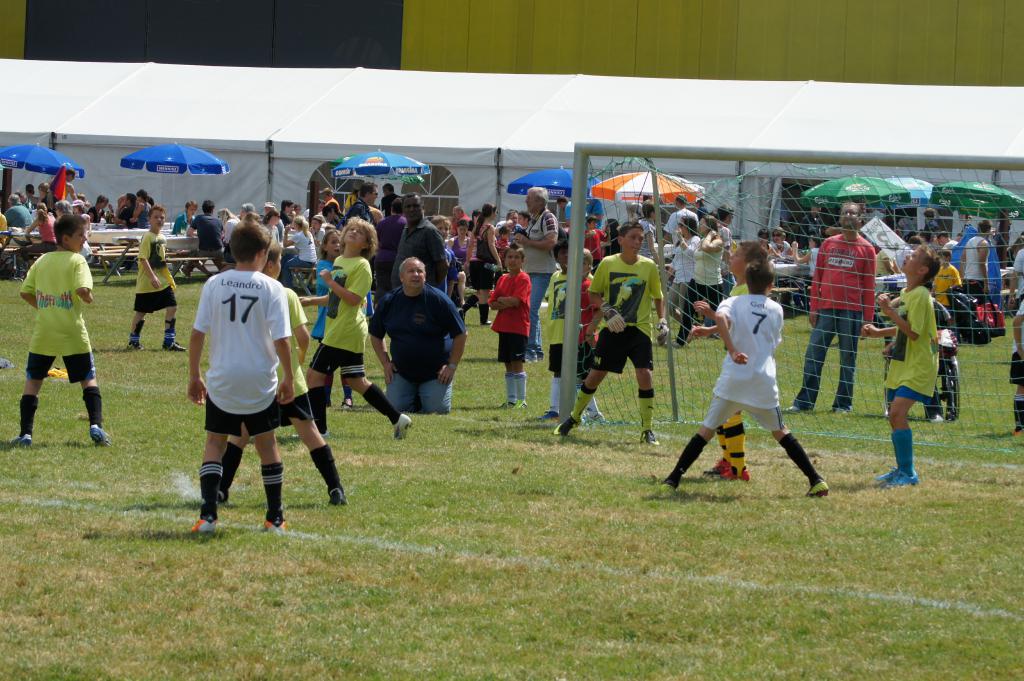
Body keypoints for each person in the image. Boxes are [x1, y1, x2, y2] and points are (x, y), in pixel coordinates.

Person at [661, 259, 830, 497]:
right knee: (781, 431)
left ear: (746, 282)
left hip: (734, 379)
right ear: (771, 284)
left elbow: (723, 319)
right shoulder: (777, 309)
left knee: (705, 431)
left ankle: (673, 479)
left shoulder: (733, 301)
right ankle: (816, 479)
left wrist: (730, 347)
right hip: (762, 380)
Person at [218, 244, 347, 507]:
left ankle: (221, 490)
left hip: (256, 378)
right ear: (271, 264)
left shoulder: (240, 292)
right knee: (310, 434)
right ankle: (335, 488)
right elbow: (302, 337)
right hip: (288, 379)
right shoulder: (285, 293)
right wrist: (297, 361)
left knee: (240, 436)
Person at [187, 220, 294, 534]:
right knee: (267, 444)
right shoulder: (273, 288)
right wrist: (289, 377)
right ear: (262, 254)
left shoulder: (214, 284)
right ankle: (275, 518)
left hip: (223, 378)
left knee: (214, 442)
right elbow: (282, 340)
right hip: (259, 378)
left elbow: (197, 334)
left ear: (233, 250)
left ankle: (208, 516)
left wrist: (194, 375)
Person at [556, 221, 668, 445]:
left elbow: (658, 296)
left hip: (639, 330)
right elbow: (594, 293)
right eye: (633, 237)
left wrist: (662, 320)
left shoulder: (648, 266)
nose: (637, 242)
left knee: (644, 373)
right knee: (595, 375)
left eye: (640, 238)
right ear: (621, 239)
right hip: (612, 329)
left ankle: (647, 429)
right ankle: (574, 418)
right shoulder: (607, 263)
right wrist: (608, 310)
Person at [307, 218, 412, 439]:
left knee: (314, 377)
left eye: (360, 232)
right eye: (351, 229)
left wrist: (330, 282)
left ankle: (320, 431)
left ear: (366, 244)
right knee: (357, 381)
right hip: (342, 330)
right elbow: (336, 297)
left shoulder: (362, 265)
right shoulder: (340, 261)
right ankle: (398, 418)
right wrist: (309, 301)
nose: (353, 232)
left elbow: (354, 299)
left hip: (344, 331)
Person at [12, 214, 111, 447]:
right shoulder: (77, 261)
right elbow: (83, 290)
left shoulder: (42, 260)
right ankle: (96, 425)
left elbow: (25, 292)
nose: (85, 238)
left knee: (33, 381)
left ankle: (25, 434)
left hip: (45, 332)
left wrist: (45, 307)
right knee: (88, 378)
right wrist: (89, 297)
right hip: (72, 332)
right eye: (81, 235)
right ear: (66, 239)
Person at [690, 241, 772, 481]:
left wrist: (711, 316)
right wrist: (710, 329)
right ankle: (729, 462)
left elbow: (739, 321)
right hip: (739, 357)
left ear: (748, 264)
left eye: (736, 255)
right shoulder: (739, 288)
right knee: (725, 411)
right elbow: (732, 321)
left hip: (744, 359)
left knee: (729, 411)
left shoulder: (746, 291)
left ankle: (737, 467)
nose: (730, 256)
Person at [861, 246, 941, 487]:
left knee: (897, 413)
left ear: (922, 270)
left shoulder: (921, 295)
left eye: (914, 256)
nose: (908, 257)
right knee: (894, 416)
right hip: (904, 362)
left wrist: (888, 311)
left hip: (919, 364)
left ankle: (908, 473)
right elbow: (905, 328)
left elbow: (914, 332)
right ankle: (902, 469)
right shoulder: (907, 292)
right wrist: (879, 333)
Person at [790, 202, 876, 413]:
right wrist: (813, 307)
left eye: (853, 213)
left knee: (848, 358)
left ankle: (843, 404)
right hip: (826, 309)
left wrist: (868, 318)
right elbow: (817, 278)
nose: (848, 215)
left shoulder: (867, 249)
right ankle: (804, 402)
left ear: (860, 220)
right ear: (839, 217)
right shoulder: (828, 243)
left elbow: (869, 286)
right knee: (813, 354)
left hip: (852, 311)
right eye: (845, 212)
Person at [370, 257, 467, 414]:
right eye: (411, 271)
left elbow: (461, 334)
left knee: (437, 410)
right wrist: (386, 363)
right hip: (402, 371)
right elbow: (375, 335)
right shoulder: (389, 301)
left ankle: (424, 396)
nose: (416, 274)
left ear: (425, 276)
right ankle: (414, 396)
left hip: (436, 372)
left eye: (419, 271)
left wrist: (451, 366)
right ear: (401, 277)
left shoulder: (440, 300)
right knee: (394, 409)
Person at [538, 243, 601, 421]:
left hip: (580, 336)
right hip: (558, 334)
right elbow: (551, 299)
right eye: (574, 261)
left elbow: (598, 309)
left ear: (589, 266)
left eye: (582, 263)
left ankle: (592, 412)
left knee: (582, 374)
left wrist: (591, 330)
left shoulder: (589, 282)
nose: (576, 266)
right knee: (558, 371)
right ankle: (554, 409)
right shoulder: (556, 276)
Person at [126, 205, 185, 352]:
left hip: (162, 283)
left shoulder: (162, 238)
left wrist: (169, 278)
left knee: (172, 307)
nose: (159, 220)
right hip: (147, 284)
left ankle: (169, 342)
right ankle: (133, 340)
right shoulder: (147, 237)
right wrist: (152, 276)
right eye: (156, 217)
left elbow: (160, 261)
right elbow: (143, 259)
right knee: (141, 312)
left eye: (162, 217)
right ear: (149, 219)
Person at [519, 187, 559, 362]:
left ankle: (531, 351)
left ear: (539, 201)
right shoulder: (536, 218)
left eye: (529, 198)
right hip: (532, 271)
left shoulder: (548, 217)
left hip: (542, 272)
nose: (526, 201)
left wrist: (527, 242)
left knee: (531, 310)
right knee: (531, 311)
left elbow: (551, 242)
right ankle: (537, 351)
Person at [489, 244, 531, 408]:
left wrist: (503, 300)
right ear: (505, 259)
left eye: (516, 257)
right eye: (510, 257)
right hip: (504, 327)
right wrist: (505, 301)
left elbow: (516, 301)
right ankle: (511, 400)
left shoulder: (523, 278)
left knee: (516, 362)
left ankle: (522, 400)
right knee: (507, 363)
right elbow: (492, 303)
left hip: (518, 327)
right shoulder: (502, 279)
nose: (513, 260)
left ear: (522, 261)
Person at [390, 194, 447, 289]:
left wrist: (429, 286)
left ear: (423, 208)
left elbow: (442, 265)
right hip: (402, 290)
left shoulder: (430, 231)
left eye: (416, 206)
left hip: (420, 291)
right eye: (408, 206)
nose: (412, 209)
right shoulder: (406, 229)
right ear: (403, 210)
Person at [461, 203, 501, 326]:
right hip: (485, 263)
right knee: (485, 291)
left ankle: (462, 310)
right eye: (495, 212)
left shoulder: (477, 226)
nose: (496, 214)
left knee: (480, 291)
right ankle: (483, 320)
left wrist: (467, 261)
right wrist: (499, 261)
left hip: (474, 263)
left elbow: (470, 246)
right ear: (491, 213)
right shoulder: (489, 227)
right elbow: (491, 245)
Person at [669, 215, 700, 346]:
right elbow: (675, 260)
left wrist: (681, 239)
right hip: (678, 278)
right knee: (669, 307)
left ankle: (684, 337)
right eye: (679, 225)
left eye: (681, 225)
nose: (679, 227)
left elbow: (690, 253)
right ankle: (691, 328)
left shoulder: (696, 239)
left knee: (684, 309)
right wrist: (667, 275)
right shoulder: (679, 241)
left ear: (688, 226)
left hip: (689, 278)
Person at [374, 197, 405, 301]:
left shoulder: (382, 223)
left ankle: (378, 307)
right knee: (396, 289)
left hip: (381, 258)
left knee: (381, 287)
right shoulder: (406, 224)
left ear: (391, 209)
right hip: (398, 259)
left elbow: (376, 242)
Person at [185, 199, 226, 277]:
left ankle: (207, 273)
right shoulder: (218, 221)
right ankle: (219, 272)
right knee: (219, 263)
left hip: (204, 251)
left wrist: (199, 235)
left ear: (203, 209)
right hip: (218, 251)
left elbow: (189, 233)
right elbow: (221, 234)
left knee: (193, 256)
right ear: (213, 210)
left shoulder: (198, 218)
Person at [281, 215, 317, 289]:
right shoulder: (308, 233)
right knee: (287, 257)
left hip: (305, 261)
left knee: (286, 266)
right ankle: (287, 283)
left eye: (293, 223)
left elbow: (285, 245)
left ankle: (288, 287)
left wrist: (285, 233)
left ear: (296, 225)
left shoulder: (298, 235)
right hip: (312, 261)